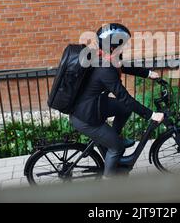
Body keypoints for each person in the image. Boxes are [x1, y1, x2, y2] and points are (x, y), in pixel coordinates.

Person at [70, 23, 165, 178]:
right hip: (86, 117)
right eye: (122, 46)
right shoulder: (105, 69)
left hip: (92, 105)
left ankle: (112, 137)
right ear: (112, 47)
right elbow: (125, 98)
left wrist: (147, 73)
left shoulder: (102, 56)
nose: (124, 48)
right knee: (117, 148)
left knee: (124, 109)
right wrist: (151, 115)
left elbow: (122, 66)